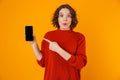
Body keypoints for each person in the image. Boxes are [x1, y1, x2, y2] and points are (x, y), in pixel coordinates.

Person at [30, 4, 87, 80]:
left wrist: (58, 50)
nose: (65, 19)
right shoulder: (48, 36)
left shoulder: (79, 37)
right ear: (57, 18)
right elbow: (43, 62)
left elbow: (80, 63)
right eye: (61, 15)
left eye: (69, 16)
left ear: (72, 19)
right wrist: (34, 44)